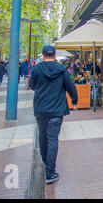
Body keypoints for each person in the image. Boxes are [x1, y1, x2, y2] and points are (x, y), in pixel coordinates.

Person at [29, 45, 78, 184]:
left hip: (41, 109)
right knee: (53, 139)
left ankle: (46, 162)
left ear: (43, 55)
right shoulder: (62, 70)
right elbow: (71, 87)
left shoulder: (37, 69)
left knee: (43, 136)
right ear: (54, 56)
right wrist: (75, 101)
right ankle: (50, 172)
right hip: (56, 110)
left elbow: (32, 85)